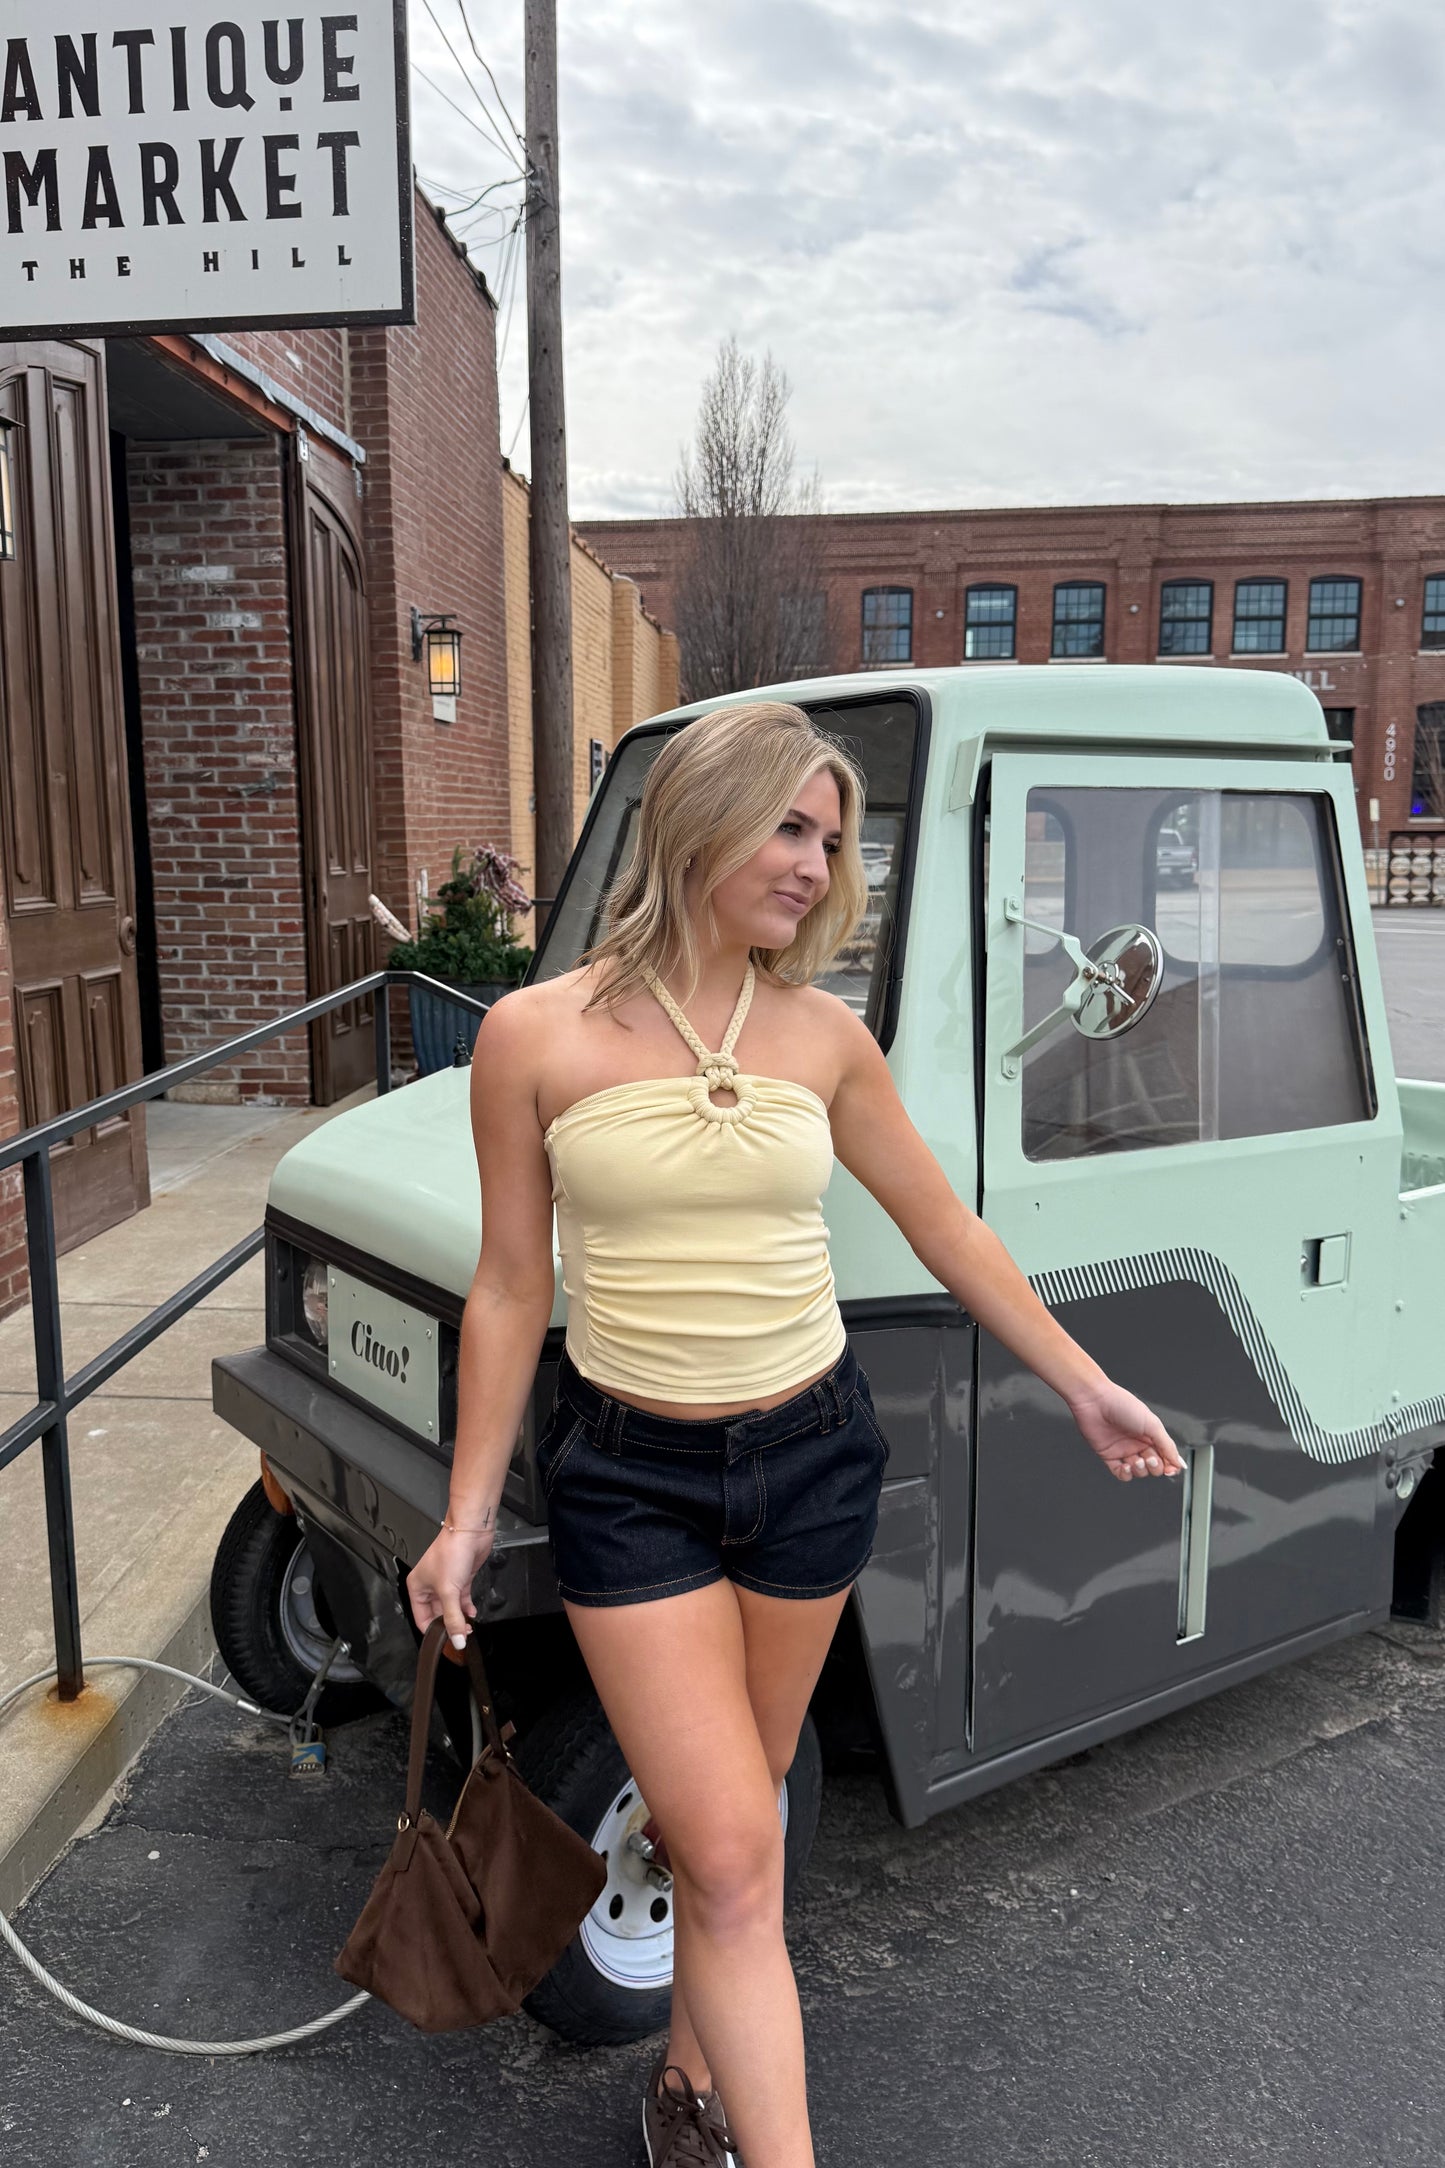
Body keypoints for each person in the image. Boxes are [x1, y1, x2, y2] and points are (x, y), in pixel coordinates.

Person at [406, 701, 1184, 2168]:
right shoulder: (534, 1035)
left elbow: (948, 1229)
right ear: (700, 820)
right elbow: (510, 1285)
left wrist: (1082, 1382)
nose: (818, 866)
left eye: (833, 841)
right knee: (729, 1850)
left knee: (734, 1834)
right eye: (790, 827)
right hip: (631, 1480)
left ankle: (688, 2078)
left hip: (812, 1461)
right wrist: (464, 1517)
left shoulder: (826, 1037)